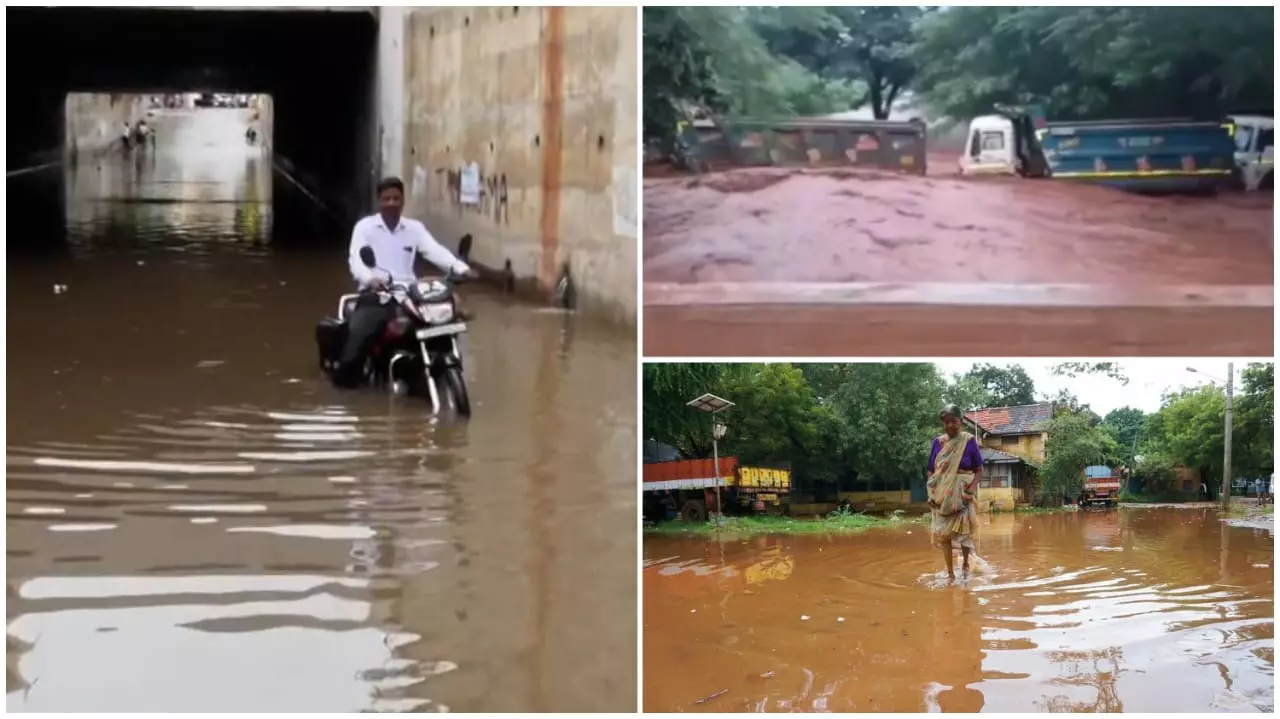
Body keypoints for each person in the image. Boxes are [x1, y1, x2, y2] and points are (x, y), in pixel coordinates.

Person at [333, 176, 477, 388]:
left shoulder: (414, 228)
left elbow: (434, 251)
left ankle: (432, 369)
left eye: (396, 198)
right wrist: (370, 279)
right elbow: (356, 260)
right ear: (379, 201)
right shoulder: (365, 227)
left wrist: (461, 269)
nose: (391, 203)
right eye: (386, 199)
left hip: (410, 294)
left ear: (403, 201)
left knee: (446, 322)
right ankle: (344, 386)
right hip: (377, 294)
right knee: (358, 339)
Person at [927, 404, 984, 583]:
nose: (950, 425)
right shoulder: (938, 443)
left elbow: (979, 470)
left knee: (965, 534)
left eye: (953, 421)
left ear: (961, 422)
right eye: (946, 422)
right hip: (942, 496)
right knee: (944, 535)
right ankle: (950, 573)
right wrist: (932, 493)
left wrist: (971, 490)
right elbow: (931, 471)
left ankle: (966, 565)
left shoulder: (968, 441)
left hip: (963, 496)